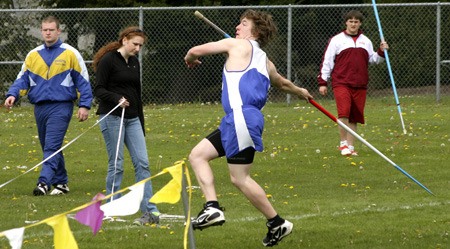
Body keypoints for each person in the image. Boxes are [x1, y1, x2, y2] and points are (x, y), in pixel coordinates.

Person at [184, 9, 313, 247]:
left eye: (243, 24)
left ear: (255, 31)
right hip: (237, 119)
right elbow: (282, 83)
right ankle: (215, 208)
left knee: (240, 178)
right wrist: (300, 92)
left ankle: (274, 221)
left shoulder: (236, 45)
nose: (237, 27)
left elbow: (194, 51)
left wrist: (191, 59)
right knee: (198, 155)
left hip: (242, 117)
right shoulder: (265, 60)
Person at [4, 16, 93, 196]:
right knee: (49, 146)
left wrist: (84, 105)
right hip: (40, 107)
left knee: (52, 145)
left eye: (51, 29)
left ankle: (44, 183)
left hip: (61, 106)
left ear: (58, 31)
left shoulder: (70, 53)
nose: (48, 33)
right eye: (45, 29)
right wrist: (12, 94)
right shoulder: (33, 55)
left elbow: (83, 81)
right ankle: (61, 183)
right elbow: (22, 79)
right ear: (41, 30)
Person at [92, 26, 160, 226]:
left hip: (132, 119)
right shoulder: (108, 60)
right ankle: (111, 206)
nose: (138, 48)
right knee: (117, 164)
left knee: (143, 163)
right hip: (112, 117)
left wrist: (140, 122)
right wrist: (117, 99)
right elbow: (99, 89)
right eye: (135, 44)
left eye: (140, 45)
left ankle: (149, 209)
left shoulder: (135, 62)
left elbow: (136, 94)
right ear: (124, 40)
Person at [317, 10, 389, 156]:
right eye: (351, 21)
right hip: (341, 82)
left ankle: (350, 146)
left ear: (360, 24)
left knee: (355, 116)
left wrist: (381, 51)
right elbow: (327, 61)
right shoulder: (336, 40)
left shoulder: (366, 41)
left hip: (360, 84)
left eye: (356, 22)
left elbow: (373, 60)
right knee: (343, 112)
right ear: (346, 23)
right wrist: (323, 82)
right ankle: (343, 144)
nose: (353, 24)